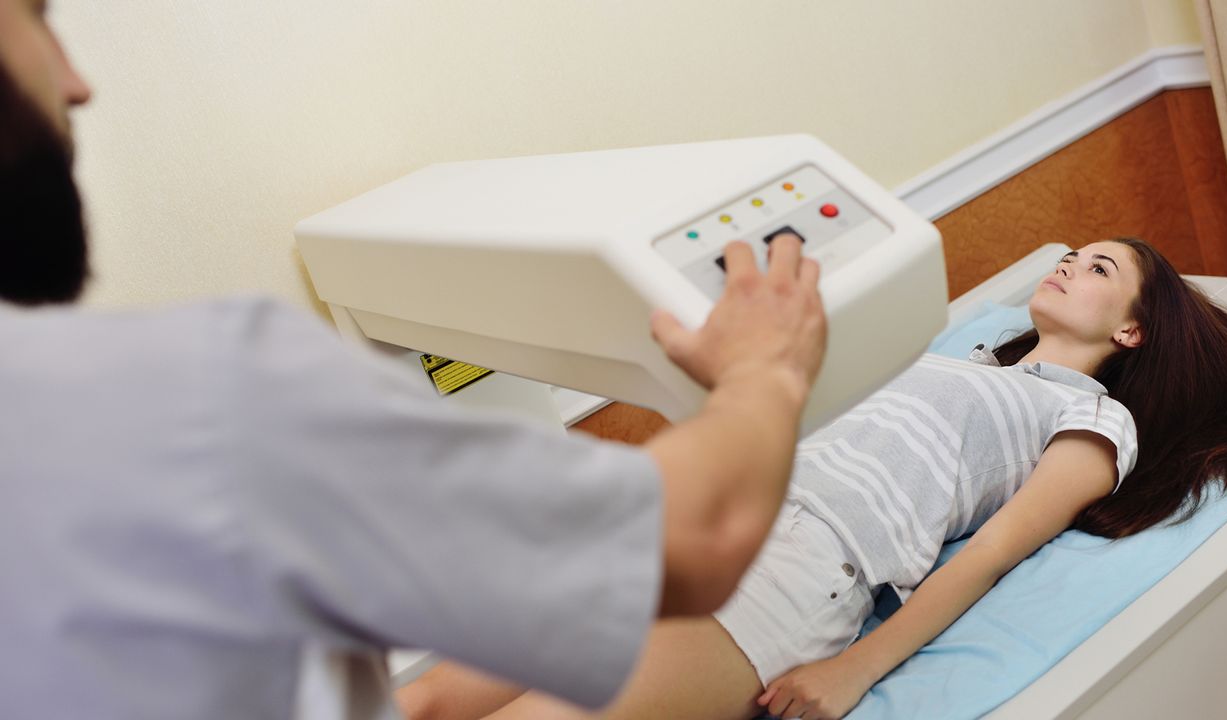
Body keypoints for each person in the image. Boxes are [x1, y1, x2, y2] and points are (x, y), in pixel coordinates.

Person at [0, 2, 829, 718]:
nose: (78, 82)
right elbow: (696, 535)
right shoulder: (197, 394)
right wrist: (765, 369)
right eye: (38, 18)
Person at [401, 236, 1227, 720]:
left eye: (1101, 269)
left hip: (796, 568)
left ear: (1132, 332)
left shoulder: (1093, 418)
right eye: (1075, 251)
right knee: (429, 697)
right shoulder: (967, 359)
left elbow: (992, 553)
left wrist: (857, 668)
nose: (1069, 263)